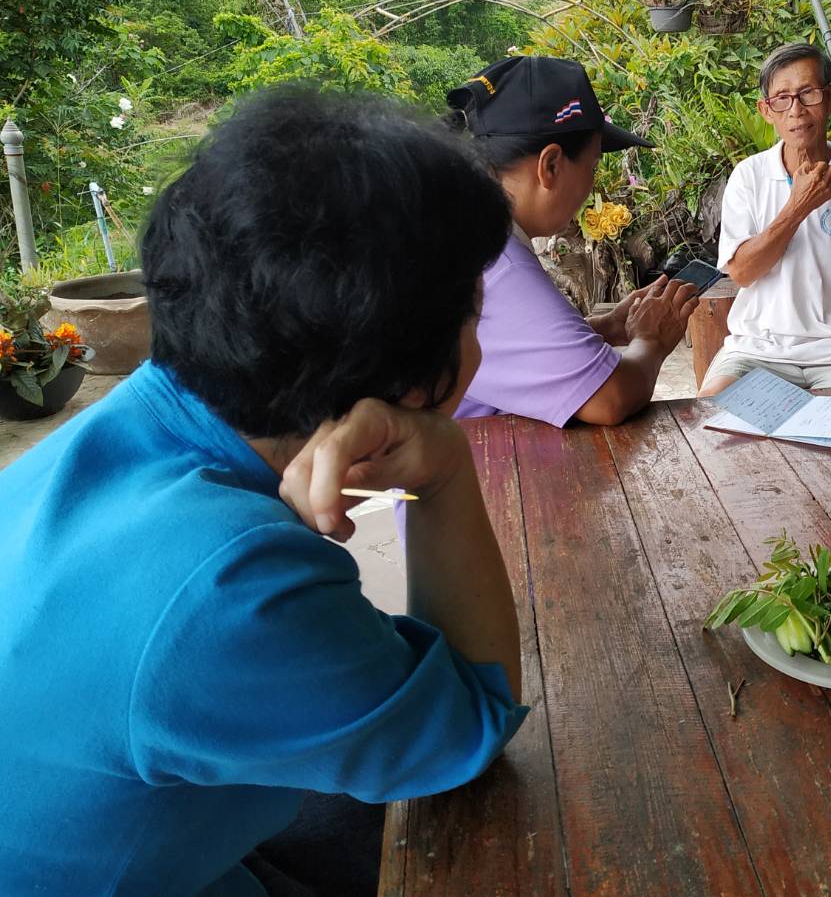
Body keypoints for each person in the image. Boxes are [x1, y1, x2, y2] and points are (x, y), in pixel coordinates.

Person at [0, 89, 528, 896]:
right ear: (413, 374)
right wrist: (445, 469)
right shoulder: (232, 582)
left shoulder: (107, 434)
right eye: (474, 315)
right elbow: (471, 730)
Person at [446, 56, 698, 427]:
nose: (592, 185)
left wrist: (609, 327)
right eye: (592, 166)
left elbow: (513, 352)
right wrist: (653, 341)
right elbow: (609, 397)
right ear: (550, 166)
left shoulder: (463, 229)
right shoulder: (497, 260)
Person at [699, 43, 831, 396]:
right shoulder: (748, 177)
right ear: (767, 110)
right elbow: (742, 272)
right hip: (754, 351)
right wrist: (797, 207)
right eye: (782, 98)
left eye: (808, 93)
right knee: (708, 419)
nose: (796, 110)